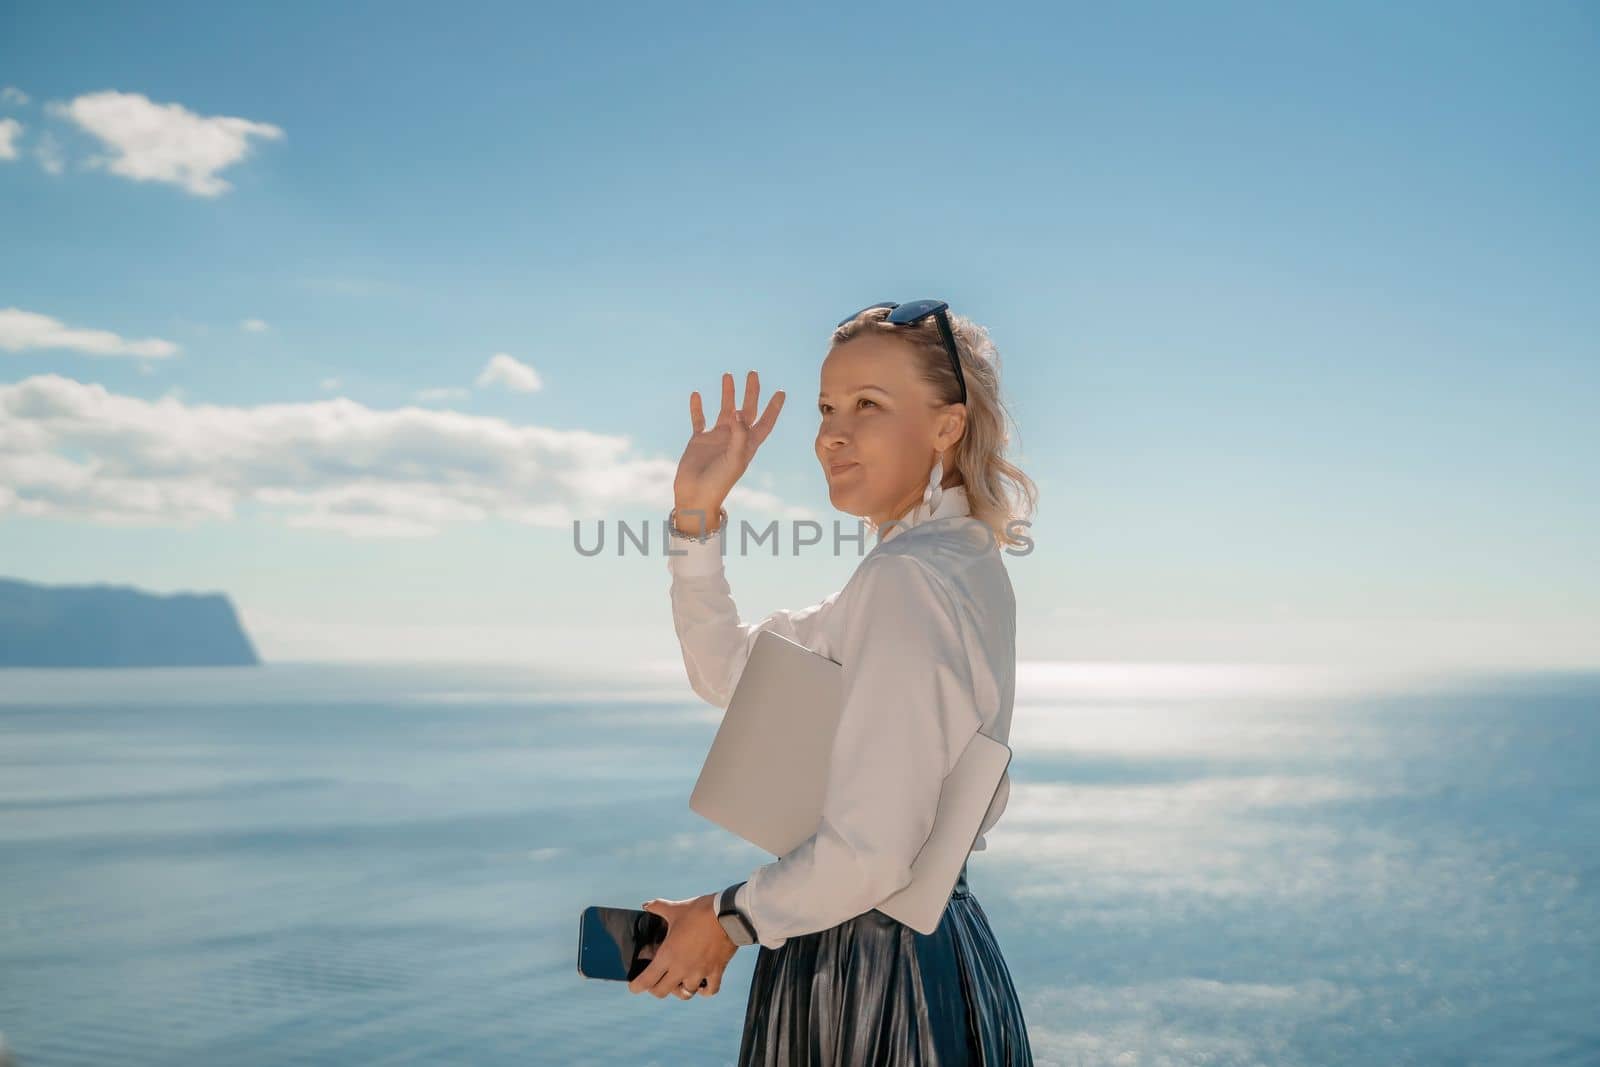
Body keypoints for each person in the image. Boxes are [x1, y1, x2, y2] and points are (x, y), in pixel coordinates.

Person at [628, 301, 1038, 1065]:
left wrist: (725, 919)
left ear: (947, 427)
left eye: (868, 407)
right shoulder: (956, 561)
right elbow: (729, 673)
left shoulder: (908, 577)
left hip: (869, 974)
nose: (830, 434)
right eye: (826, 407)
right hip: (934, 952)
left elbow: (872, 853)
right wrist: (695, 514)